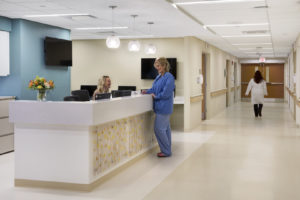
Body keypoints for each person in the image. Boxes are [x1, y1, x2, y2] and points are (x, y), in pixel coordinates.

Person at [142, 57, 175, 157]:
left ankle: (166, 151)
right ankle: (167, 149)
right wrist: (146, 91)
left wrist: (156, 97)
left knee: (159, 129)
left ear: (164, 65)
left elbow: (166, 93)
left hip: (164, 108)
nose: (158, 68)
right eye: (157, 66)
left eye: (159, 66)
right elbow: (154, 89)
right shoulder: (158, 77)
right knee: (165, 129)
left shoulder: (169, 77)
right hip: (160, 107)